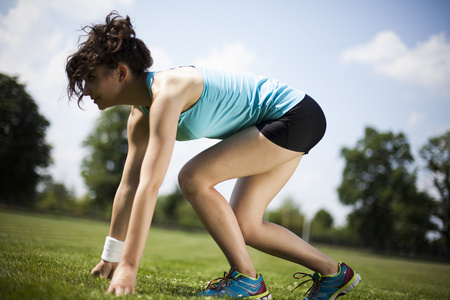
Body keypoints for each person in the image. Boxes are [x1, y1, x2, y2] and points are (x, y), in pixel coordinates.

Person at [66, 11, 361, 300]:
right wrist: (111, 258)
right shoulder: (139, 116)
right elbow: (129, 186)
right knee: (246, 226)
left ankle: (246, 280)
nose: (86, 89)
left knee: (193, 177)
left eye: (91, 78)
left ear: (120, 72)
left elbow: (150, 184)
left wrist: (129, 267)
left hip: (295, 115)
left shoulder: (167, 91)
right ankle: (334, 274)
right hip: (286, 120)